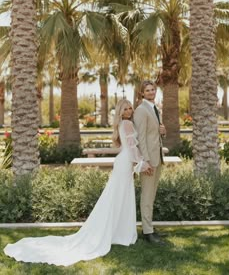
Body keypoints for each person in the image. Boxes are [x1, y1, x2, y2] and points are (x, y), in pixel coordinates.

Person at [4, 99, 151, 267]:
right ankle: (121, 234)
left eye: (130, 108)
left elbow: (129, 147)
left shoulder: (122, 124)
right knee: (119, 198)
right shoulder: (127, 124)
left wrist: (138, 163)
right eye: (125, 109)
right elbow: (133, 149)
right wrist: (142, 164)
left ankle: (119, 233)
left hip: (122, 163)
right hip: (125, 162)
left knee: (117, 198)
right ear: (120, 111)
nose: (129, 111)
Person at [134, 80, 166, 244]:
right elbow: (140, 138)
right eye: (147, 90)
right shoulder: (141, 110)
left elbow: (153, 134)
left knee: (151, 195)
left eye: (153, 89)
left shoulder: (154, 108)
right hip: (149, 160)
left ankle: (150, 227)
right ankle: (147, 232)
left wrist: (163, 132)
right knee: (147, 196)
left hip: (158, 157)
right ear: (142, 93)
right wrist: (145, 161)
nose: (151, 92)